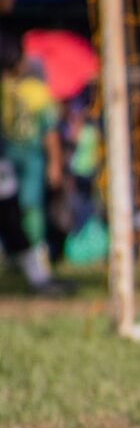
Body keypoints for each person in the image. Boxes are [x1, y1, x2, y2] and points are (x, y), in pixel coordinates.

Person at [0, 31, 69, 295]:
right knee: (21, 214)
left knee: (23, 214)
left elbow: (50, 132)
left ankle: (35, 269)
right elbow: (51, 134)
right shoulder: (32, 91)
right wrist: (55, 164)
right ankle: (35, 272)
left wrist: (54, 164)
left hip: (24, 162)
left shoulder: (34, 92)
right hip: (14, 162)